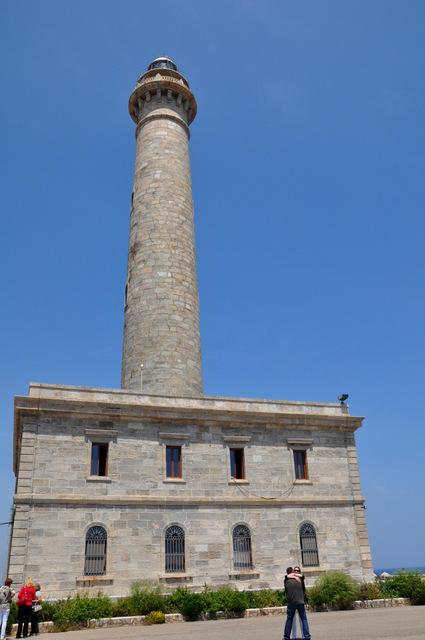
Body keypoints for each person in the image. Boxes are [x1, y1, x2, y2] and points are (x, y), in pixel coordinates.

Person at [283, 566, 311, 640]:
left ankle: (286, 637)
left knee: (289, 620)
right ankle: (307, 636)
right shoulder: (300, 579)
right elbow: (303, 589)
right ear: (293, 571)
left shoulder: (286, 580)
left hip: (291, 602)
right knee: (304, 619)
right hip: (300, 601)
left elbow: (286, 590)